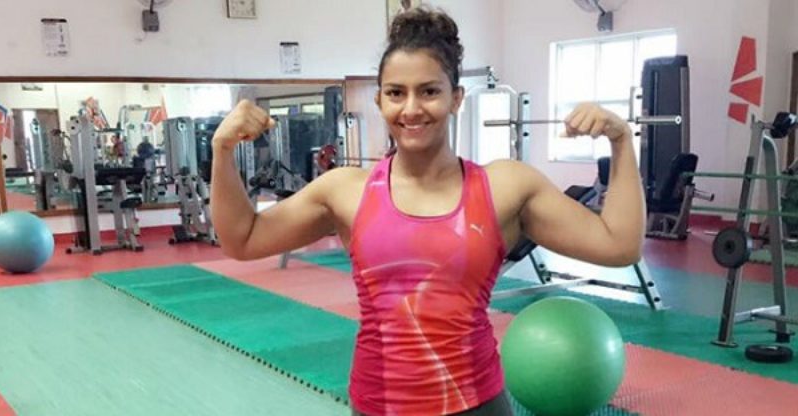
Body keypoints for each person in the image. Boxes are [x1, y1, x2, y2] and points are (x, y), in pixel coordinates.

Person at [210, 7, 644, 416]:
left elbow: (619, 245)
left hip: (477, 404)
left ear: (456, 98)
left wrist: (621, 140)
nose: (412, 108)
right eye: (396, 93)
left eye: (430, 91)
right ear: (379, 100)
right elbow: (243, 239)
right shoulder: (345, 191)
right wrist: (223, 150)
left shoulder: (505, 187)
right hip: (381, 404)